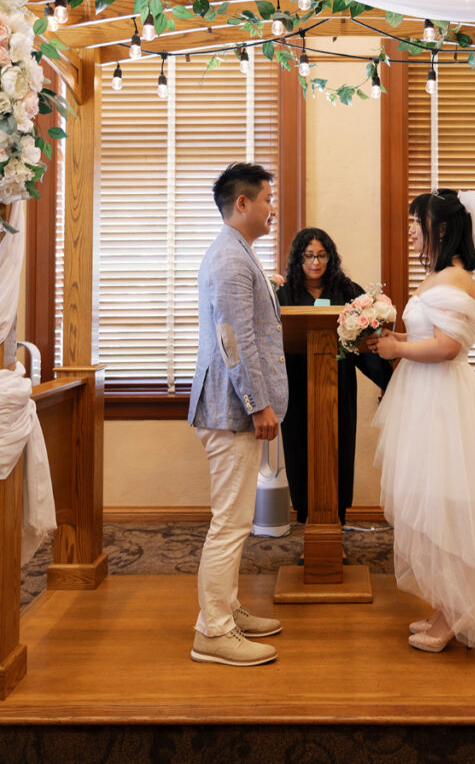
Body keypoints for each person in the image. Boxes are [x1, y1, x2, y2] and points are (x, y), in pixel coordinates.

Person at [368, 188, 475, 662]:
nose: (411, 229)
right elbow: (427, 337)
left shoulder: (458, 278)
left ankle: (457, 611)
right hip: (422, 397)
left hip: (442, 403)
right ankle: (445, 604)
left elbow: (447, 348)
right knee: (427, 501)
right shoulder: (441, 276)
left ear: (440, 228)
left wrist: (398, 350)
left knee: (445, 502)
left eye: (416, 221)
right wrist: (393, 338)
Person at [187, 162, 288, 667]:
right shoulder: (229, 258)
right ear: (242, 203)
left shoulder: (238, 252)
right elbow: (235, 342)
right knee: (229, 523)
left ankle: (225, 608)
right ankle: (213, 631)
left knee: (236, 519)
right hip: (232, 410)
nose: (273, 208)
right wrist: (260, 404)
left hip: (235, 408)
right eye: (267, 198)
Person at [276, 228, 393, 525]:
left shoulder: (346, 291)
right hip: (298, 387)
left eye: (322, 255)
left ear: (331, 257)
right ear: (298, 258)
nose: (316, 262)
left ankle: (335, 522)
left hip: (337, 386)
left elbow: (367, 340)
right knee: (300, 452)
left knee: (338, 451)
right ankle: (308, 524)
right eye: (309, 256)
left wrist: (389, 382)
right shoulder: (285, 293)